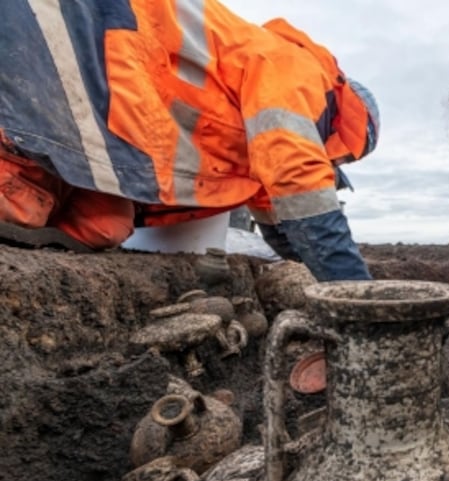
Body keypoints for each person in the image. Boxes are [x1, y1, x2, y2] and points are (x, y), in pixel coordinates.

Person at [0, 0, 378, 281]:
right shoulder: (296, 69)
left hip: (120, 128)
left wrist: (306, 273)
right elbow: (298, 176)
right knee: (19, 194)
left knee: (105, 226)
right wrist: (354, 290)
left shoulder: (267, 143)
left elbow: (282, 218)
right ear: (348, 125)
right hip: (104, 44)